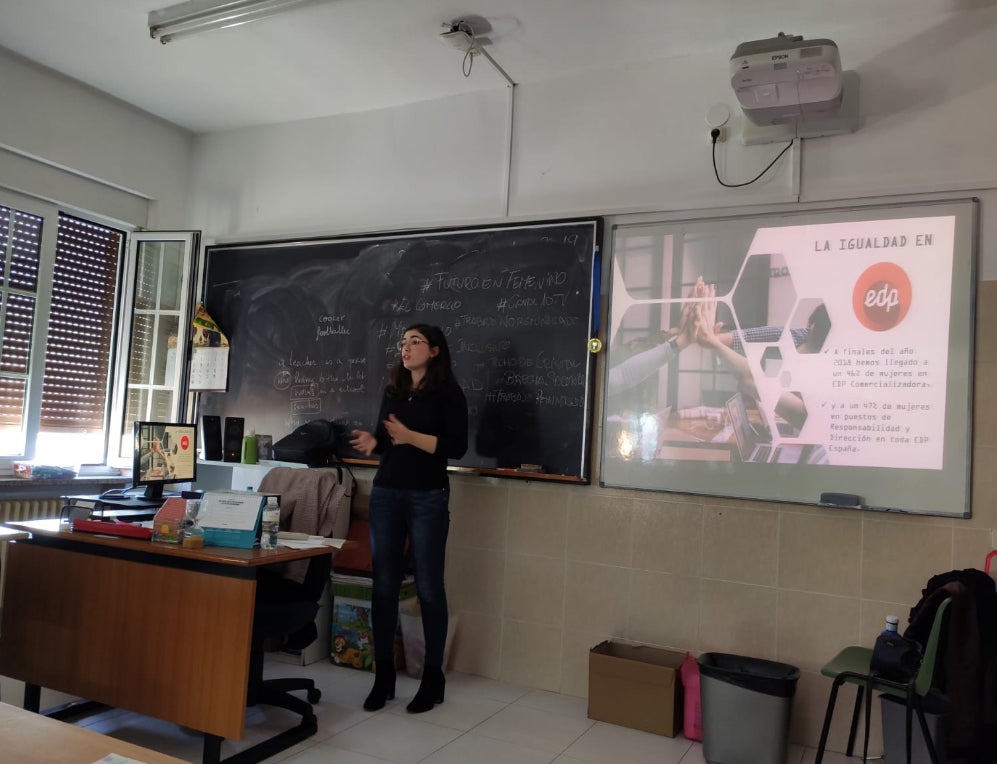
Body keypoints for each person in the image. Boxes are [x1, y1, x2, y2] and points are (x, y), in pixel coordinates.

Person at [349, 324, 468, 714]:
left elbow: (457, 448)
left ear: (434, 351)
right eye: (403, 342)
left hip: (427, 496)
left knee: (430, 586)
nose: (406, 348)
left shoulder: (448, 394)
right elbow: (388, 438)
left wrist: (409, 435)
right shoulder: (394, 389)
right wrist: (375, 442)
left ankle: (433, 678)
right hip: (386, 493)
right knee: (383, 584)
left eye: (415, 341)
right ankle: (383, 676)